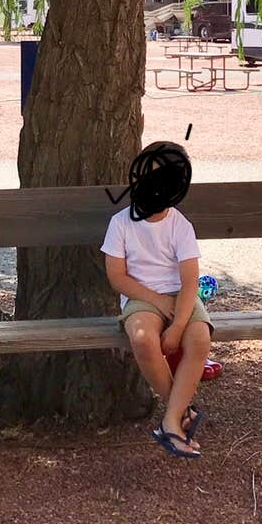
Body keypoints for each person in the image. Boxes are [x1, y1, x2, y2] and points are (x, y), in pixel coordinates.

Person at [101, 140, 213, 460]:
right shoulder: (121, 223)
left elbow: (190, 280)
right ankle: (178, 414)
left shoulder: (180, 225)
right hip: (142, 297)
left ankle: (170, 421)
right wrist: (157, 302)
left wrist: (178, 325)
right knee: (143, 338)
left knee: (199, 339)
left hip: (181, 296)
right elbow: (117, 277)